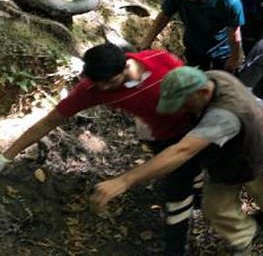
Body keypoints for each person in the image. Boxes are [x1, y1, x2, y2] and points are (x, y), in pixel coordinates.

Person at [0, 44, 200, 256]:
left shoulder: (159, 59)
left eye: (111, 83)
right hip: (161, 138)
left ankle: (197, 193)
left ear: (125, 66)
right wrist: (6, 157)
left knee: (190, 175)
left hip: (196, 126)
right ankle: (176, 247)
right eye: (99, 84)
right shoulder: (92, 89)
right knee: (177, 190)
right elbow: (48, 122)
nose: (104, 89)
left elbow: (192, 84)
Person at [92, 66, 263, 256]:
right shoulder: (212, 77)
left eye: (184, 104)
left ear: (202, 92)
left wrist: (125, 180)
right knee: (216, 209)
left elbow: (182, 151)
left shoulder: (224, 115)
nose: (180, 109)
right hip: (224, 162)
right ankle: (244, 238)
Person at [140, 0, 244, 72]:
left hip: (222, 52)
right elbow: (163, 17)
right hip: (193, 49)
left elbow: (234, 32)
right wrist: (147, 41)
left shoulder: (228, 1)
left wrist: (234, 57)